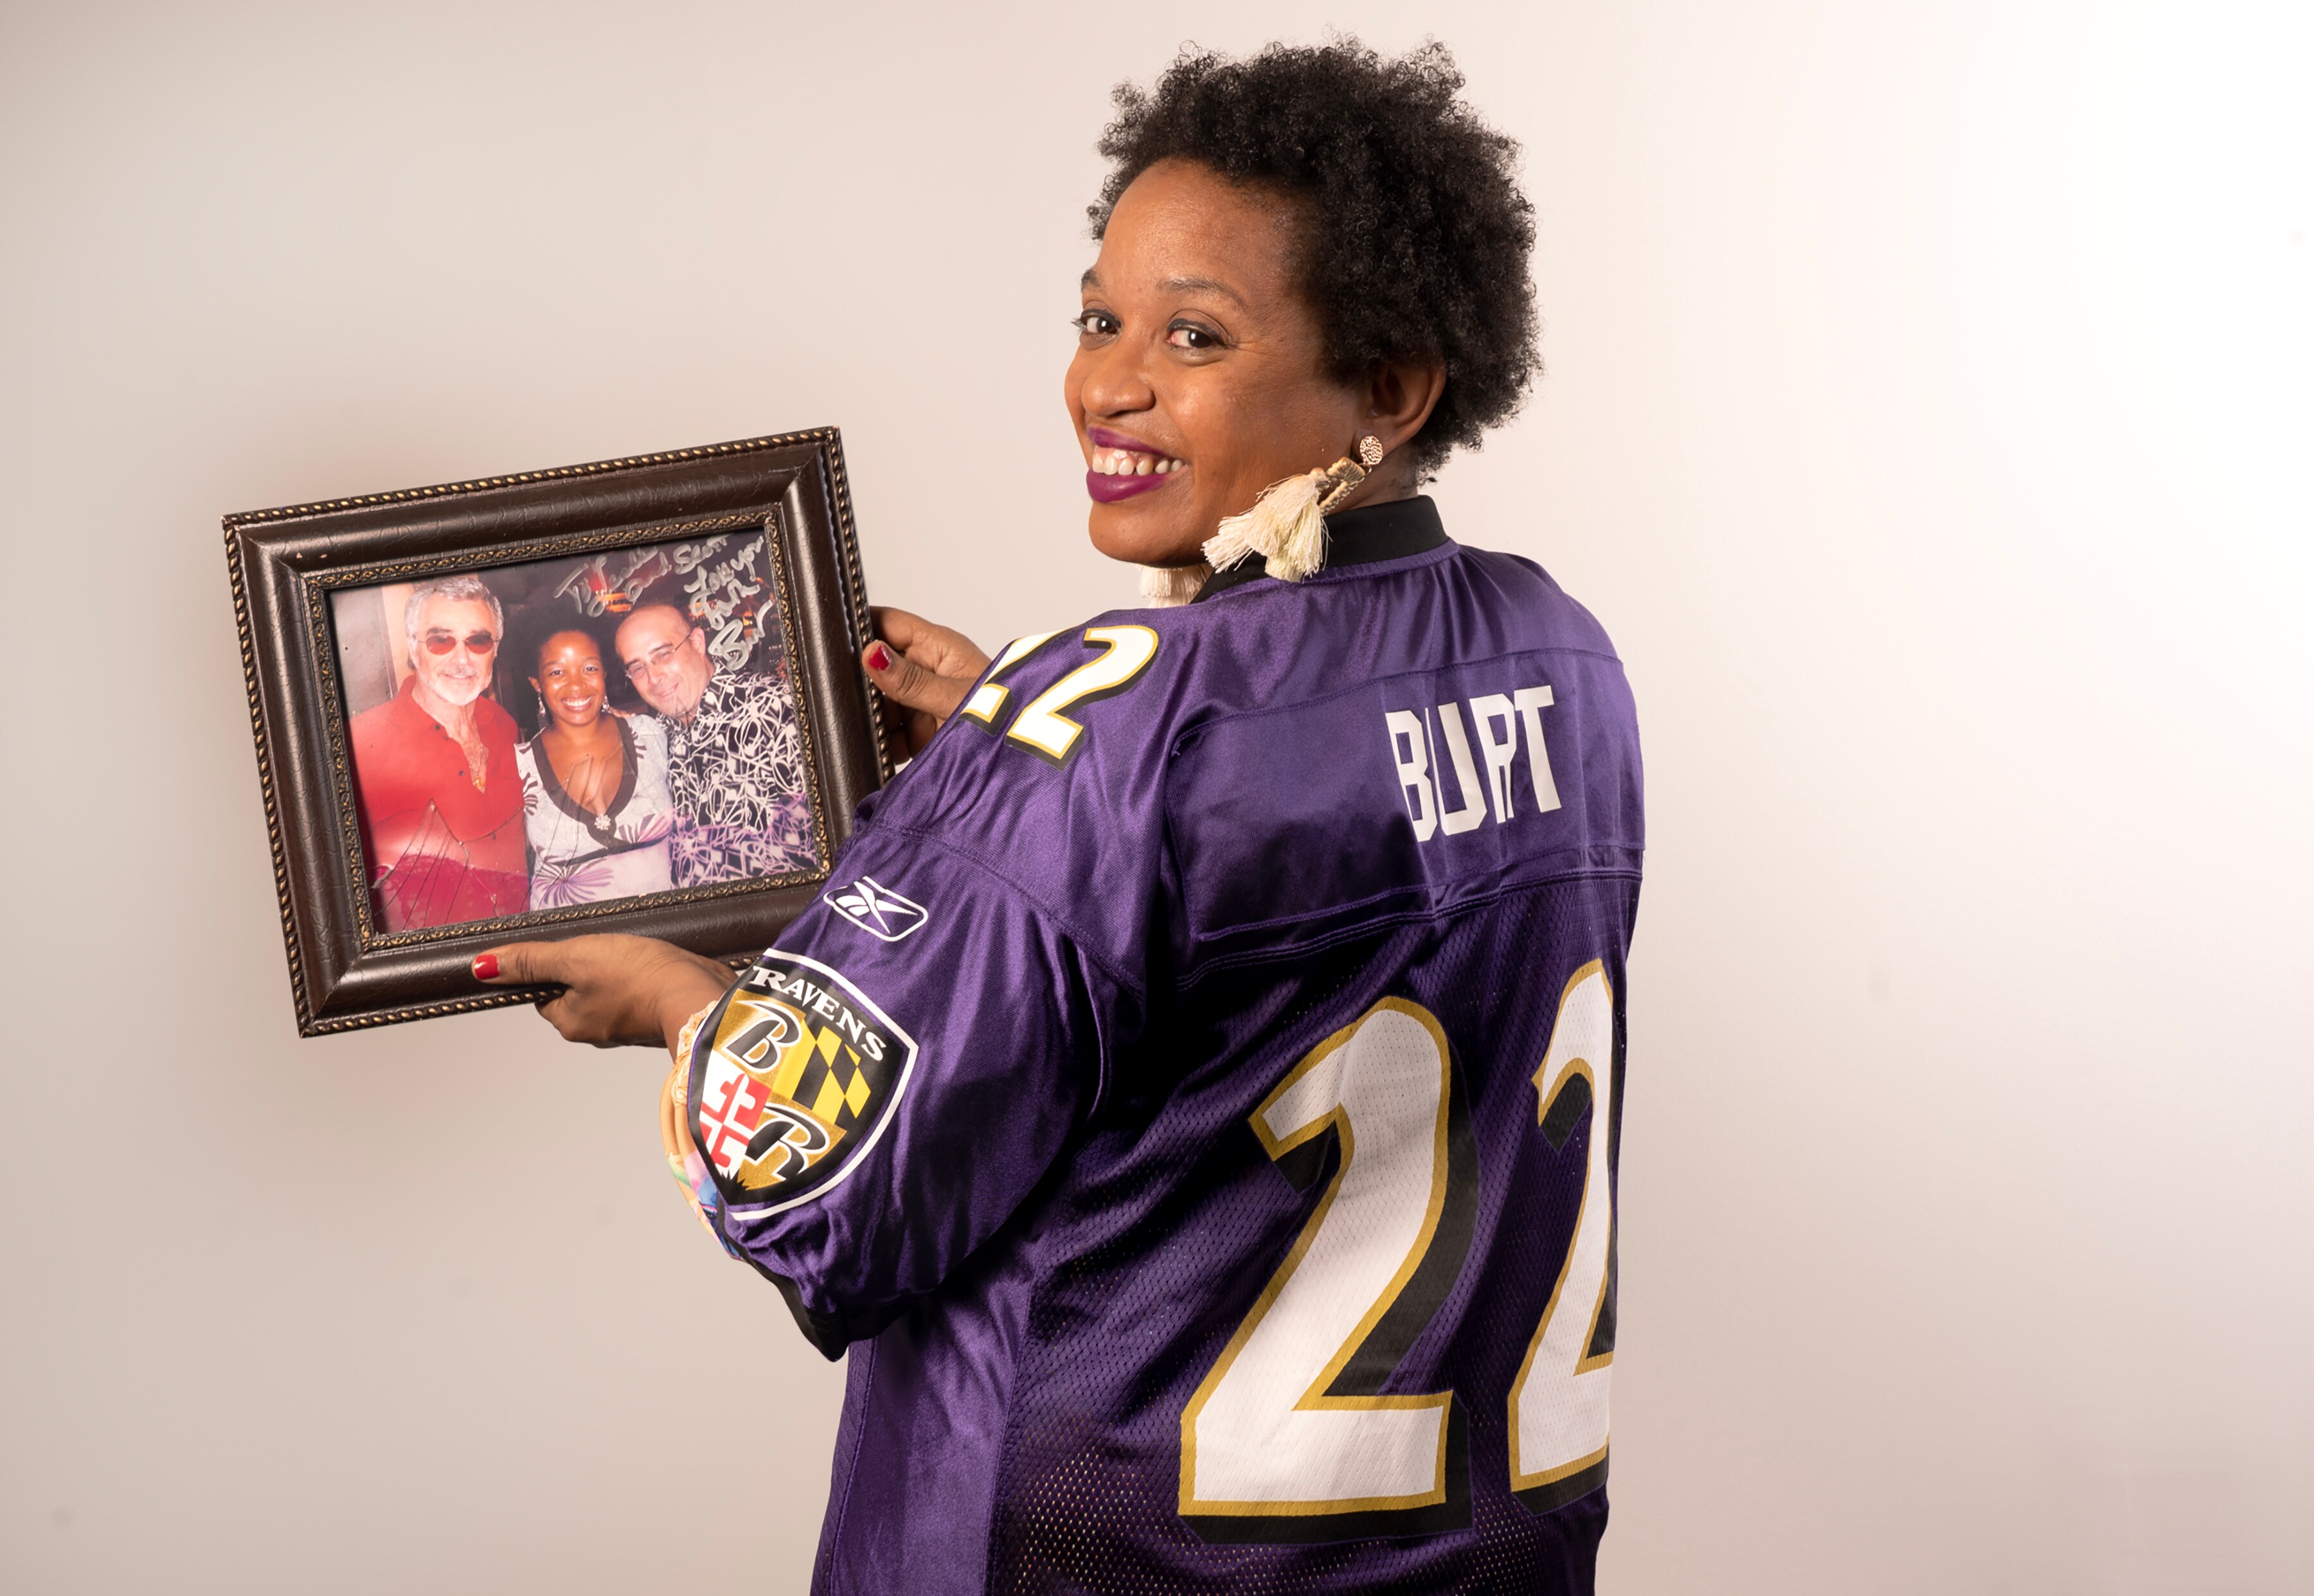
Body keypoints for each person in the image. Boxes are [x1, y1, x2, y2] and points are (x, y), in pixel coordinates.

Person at [481, 39, 1642, 1596]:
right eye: (1100, 319)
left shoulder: (1107, 718)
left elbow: (816, 1190)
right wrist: (996, 769)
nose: (1110, 380)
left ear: (1391, 384)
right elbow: (1299, 865)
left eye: (1195, 334)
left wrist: (691, 1003)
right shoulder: (1563, 649)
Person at [348, 573, 526, 930]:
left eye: (478, 640)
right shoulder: (360, 747)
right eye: (440, 640)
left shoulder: (504, 726)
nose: (462, 659)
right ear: (414, 649)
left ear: (496, 650)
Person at [611, 602, 818, 885]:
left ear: (697, 642)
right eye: (637, 668)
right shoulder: (656, 738)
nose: (653, 677)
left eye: (663, 654)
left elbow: (826, 847)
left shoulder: (775, 708)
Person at [511, 623, 676, 909]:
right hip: (569, 947)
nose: (576, 685)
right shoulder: (519, 765)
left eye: (589, 668)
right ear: (537, 683)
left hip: (664, 936)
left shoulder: (649, 735)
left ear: (604, 673)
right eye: (556, 672)